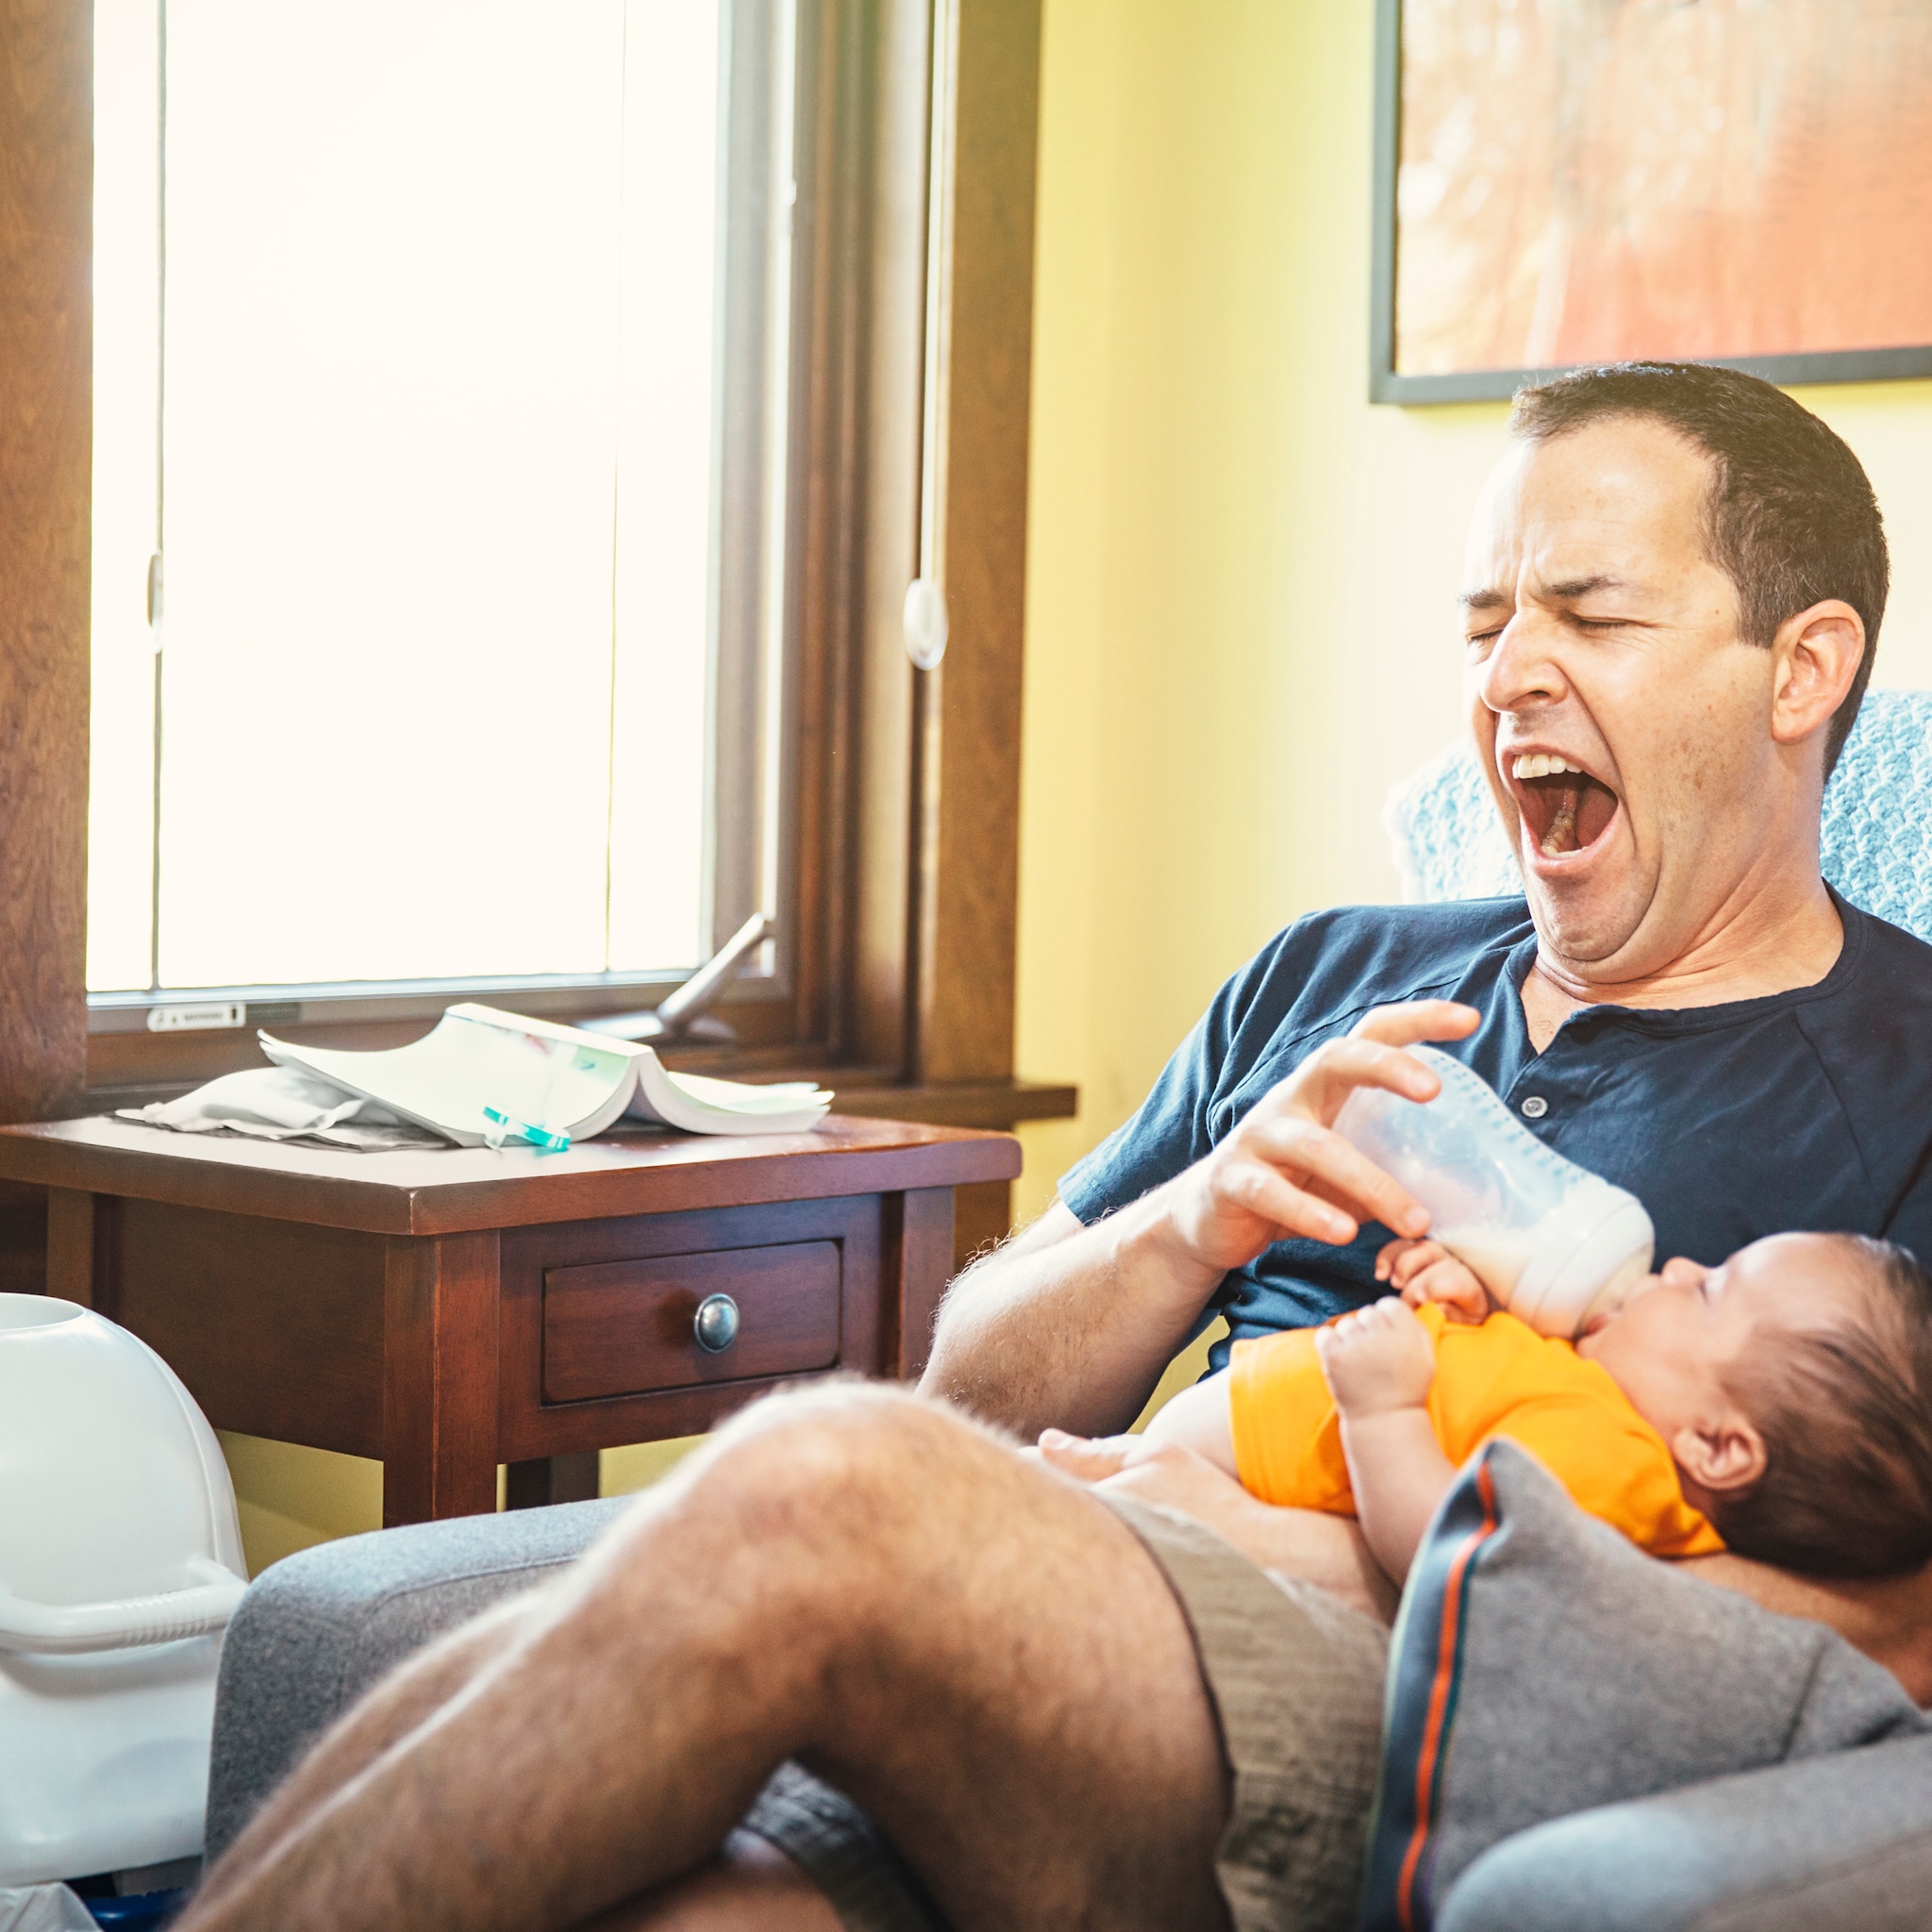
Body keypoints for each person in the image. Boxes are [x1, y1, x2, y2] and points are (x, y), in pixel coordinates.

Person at [174, 361, 1932, 1932]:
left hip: (1389, 1687)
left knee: (816, 1475)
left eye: (1590, 615)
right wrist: (1192, 1217)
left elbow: (1899, 1638)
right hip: (1075, 1619)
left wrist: (1336, 1545)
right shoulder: (1330, 973)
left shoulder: (1907, 1074)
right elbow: (970, 1381)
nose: (1507, 676)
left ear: (1800, 668)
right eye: (1481, 623)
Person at [1147, 1225, 1932, 1586]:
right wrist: (1465, 1316)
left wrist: (1382, 1412)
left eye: (1710, 1289)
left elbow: (1451, 1557)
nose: (1684, 1263)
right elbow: (1486, 1415)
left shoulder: (1607, 1467)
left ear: (1718, 1449)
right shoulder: (1603, 1410)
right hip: (1206, 1457)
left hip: (1221, 1490)